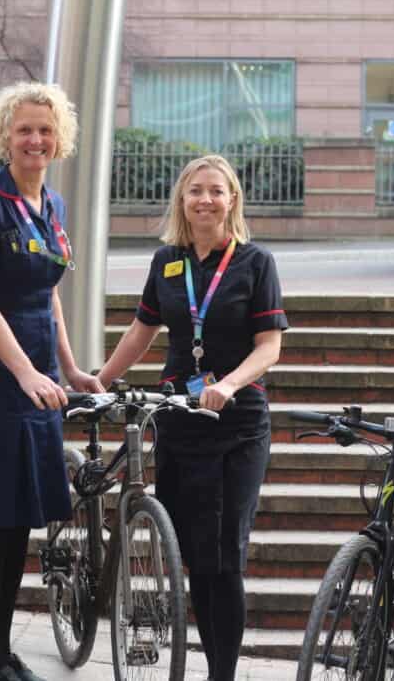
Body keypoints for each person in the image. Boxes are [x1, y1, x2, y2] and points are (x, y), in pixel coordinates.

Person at [0, 81, 103, 681]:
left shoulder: (50, 206)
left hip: (38, 383)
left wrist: (70, 366)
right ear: (4, 137)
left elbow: (47, 296)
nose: (35, 139)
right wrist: (27, 372)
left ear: (60, 140)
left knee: (17, 530)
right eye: (24, 129)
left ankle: (3, 653)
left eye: (46, 129)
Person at [97, 154, 287, 681]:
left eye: (216, 191)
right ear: (182, 199)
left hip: (236, 423)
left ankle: (221, 674)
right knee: (193, 553)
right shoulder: (168, 261)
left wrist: (228, 384)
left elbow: (269, 346)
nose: (206, 199)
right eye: (195, 190)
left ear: (233, 199)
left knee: (223, 558)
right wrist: (102, 379)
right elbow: (143, 330)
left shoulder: (254, 262)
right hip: (179, 418)